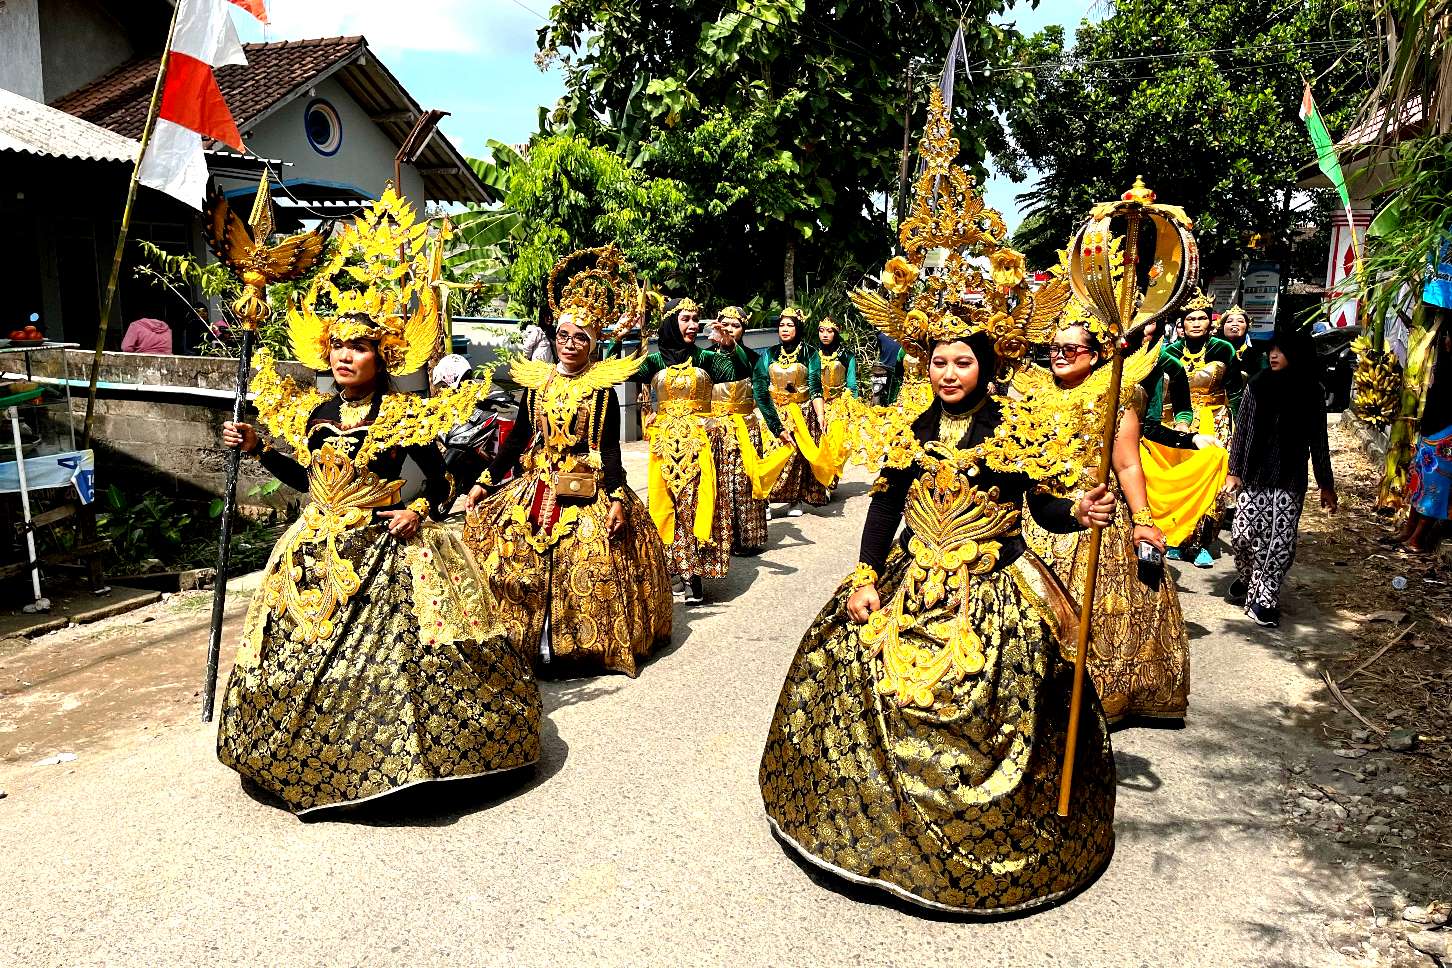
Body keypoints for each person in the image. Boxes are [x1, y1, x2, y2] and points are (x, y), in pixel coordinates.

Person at [760, 326, 1119, 915]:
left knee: (1010, 698)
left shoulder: (1013, 426)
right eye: (938, 363)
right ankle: (865, 831)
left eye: (961, 363)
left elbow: (1043, 509)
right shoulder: (912, 429)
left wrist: (1078, 510)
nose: (948, 374)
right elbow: (884, 507)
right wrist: (866, 576)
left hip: (990, 585)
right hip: (912, 577)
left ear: (985, 364)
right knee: (845, 663)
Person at [214, 192, 540, 814]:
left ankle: (412, 760)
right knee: (302, 655)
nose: (343, 356)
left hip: (388, 546)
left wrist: (421, 511)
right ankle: (306, 752)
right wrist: (259, 447)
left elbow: (443, 473)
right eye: (337, 346)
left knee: (399, 661)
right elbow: (307, 477)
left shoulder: (405, 412)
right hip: (315, 552)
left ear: (383, 356)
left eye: (359, 346)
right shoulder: (318, 413)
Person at [462, 246, 672, 675]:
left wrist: (615, 496)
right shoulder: (537, 383)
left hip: (584, 481)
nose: (571, 344)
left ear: (593, 343)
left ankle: (573, 646)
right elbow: (519, 436)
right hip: (535, 481)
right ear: (554, 338)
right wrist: (485, 480)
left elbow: (609, 447)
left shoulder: (602, 389)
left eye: (581, 338)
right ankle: (526, 642)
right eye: (564, 336)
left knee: (593, 560)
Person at [1018, 317, 1189, 723]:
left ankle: (1106, 697)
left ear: (1095, 356)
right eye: (1054, 348)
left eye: (1071, 349)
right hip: (1041, 510)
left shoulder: (1118, 394)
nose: (1059, 355)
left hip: (1096, 510)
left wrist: (1142, 520)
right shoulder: (1031, 392)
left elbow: (1128, 464)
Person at [632, 297, 753, 604]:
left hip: (698, 444)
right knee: (665, 507)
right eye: (685, 319)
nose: (692, 325)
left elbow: (736, 372)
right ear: (672, 322)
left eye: (696, 319)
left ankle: (693, 576)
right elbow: (619, 372)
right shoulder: (655, 361)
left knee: (694, 505)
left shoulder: (705, 357)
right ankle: (672, 569)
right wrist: (616, 339)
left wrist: (729, 346)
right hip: (663, 446)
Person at [1226, 326, 1337, 628]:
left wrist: (1326, 485)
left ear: (1296, 353)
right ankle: (1249, 577)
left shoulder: (1312, 392)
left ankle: (1264, 599)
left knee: (1278, 542)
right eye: (1271, 349)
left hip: (1289, 480)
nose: (1273, 355)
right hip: (1254, 477)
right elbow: (1242, 432)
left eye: (1280, 350)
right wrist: (1234, 471)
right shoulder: (1257, 385)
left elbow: (1319, 441)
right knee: (1242, 536)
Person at [1160, 290, 1241, 566]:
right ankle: (1177, 536)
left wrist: (1240, 425)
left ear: (1210, 322)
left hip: (1214, 420)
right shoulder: (1168, 352)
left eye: (1201, 318)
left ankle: (1202, 541)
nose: (1195, 323)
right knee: (1180, 479)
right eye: (1190, 318)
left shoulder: (1224, 349)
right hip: (1177, 422)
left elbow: (1236, 390)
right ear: (1182, 324)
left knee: (1211, 480)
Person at [709, 306, 776, 556]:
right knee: (719, 484)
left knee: (742, 483)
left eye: (734, 326)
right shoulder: (706, 356)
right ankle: (720, 537)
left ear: (743, 330)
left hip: (745, 429)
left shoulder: (752, 358)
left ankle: (747, 539)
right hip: (714, 429)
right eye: (724, 325)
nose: (729, 330)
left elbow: (751, 380)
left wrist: (776, 428)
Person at [753, 307, 830, 515]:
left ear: (798, 328)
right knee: (770, 454)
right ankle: (765, 500)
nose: (785, 329)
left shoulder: (810, 353)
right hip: (773, 413)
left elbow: (815, 386)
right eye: (781, 325)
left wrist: (821, 415)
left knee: (796, 457)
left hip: (802, 411)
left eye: (790, 325)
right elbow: (759, 383)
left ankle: (795, 500)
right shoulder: (769, 354)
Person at [1403, 321, 1452, 552]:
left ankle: (1418, 538)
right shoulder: (1443, 362)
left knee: (1435, 487)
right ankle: (1409, 530)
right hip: (1431, 430)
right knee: (1420, 483)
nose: (1445, 340)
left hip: (1446, 434)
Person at [1217, 305, 1266, 413]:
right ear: (1222, 326)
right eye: (1229, 321)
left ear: (1247, 326)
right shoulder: (1213, 352)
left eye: (1240, 321)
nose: (1235, 324)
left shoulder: (1257, 355)